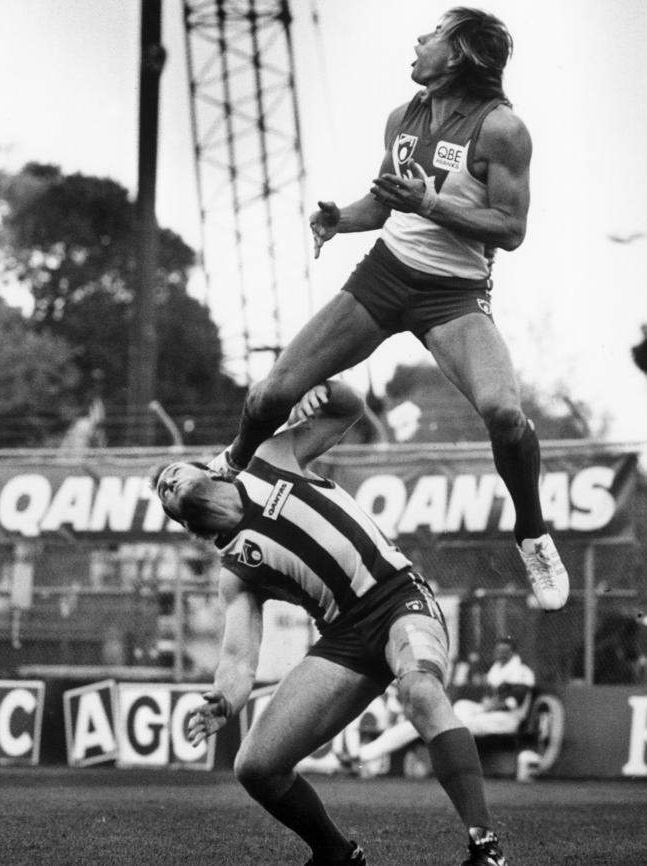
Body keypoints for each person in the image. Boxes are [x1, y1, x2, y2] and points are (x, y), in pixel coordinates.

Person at [209, 6, 568, 613]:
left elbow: (510, 229)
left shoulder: (502, 130)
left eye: (433, 36)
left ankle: (532, 533)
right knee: (271, 395)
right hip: (384, 276)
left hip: (453, 294)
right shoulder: (402, 118)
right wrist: (340, 220)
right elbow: (384, 205)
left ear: (458, 56)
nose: (419, 41)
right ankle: (229, 471)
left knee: (506, 415)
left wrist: (429, 204)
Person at [154, 379, 510, 866]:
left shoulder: (269, 458)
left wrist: (322, 389)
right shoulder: (235, 570)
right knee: (256, 767)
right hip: (343, 639)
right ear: (181, 520)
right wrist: (226, 700)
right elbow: (238, 659)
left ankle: (485, 848)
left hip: (399, 598)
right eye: (163, 493)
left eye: (172, 474)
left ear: (206, 469)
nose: (167, 484)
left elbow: (350, 409)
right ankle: (336, 855)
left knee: (420, 690)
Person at [453, 636, 536, 736]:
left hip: (509, 716)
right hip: (490, 710)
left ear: (512, 653)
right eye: (498, 651)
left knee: (471, 723)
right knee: (461, 706)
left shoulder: (521, 671)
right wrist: (487, 701)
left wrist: (493, 706)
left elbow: (515, 701)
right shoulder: (496, 668)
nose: (500, 654)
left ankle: (461, 741)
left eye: (504, 651)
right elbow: (489, 691)